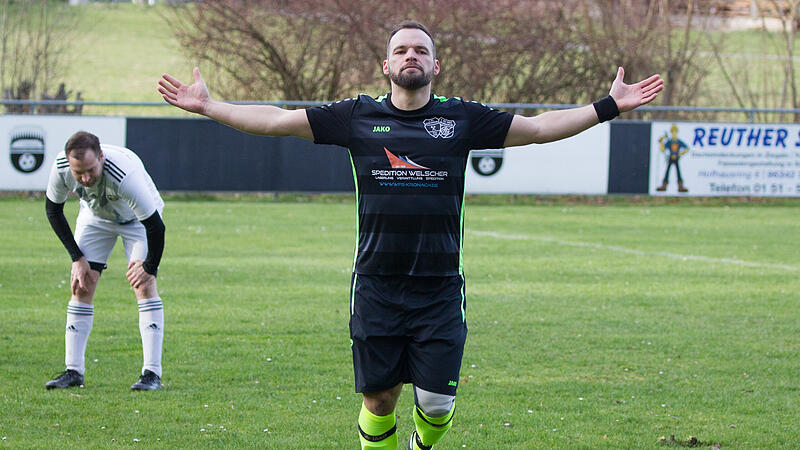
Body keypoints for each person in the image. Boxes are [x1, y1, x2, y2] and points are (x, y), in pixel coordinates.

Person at [158, 20, 662, 449]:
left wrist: (607, 106)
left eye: (421, 49)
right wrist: (210, 106)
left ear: (435, 66)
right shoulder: (357, 116)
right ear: (386, 65)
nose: (410, 56)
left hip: (440, 287)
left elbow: (536, 128)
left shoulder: (462, 117)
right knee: (379, 399)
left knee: (438, 405)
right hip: (376, 284)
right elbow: (275, 120)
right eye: (401, 49)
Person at [44, 131, 166, 391]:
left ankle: (152, 374)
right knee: (81, 284)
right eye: (79, 173)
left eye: (90, 170)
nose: (85, 179)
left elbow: (156, 227)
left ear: (100, 157)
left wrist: (149, 267)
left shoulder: (124, 175)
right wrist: (76, 258)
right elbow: (53, 210)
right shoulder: (61, 167)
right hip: (96, 218)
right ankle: (73, 371)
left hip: (137, 221)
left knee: (143, 285)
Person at [656, 124, 690, 192]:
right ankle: (664, 185)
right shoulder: (669, 142)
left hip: (676, 158)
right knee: (667, 171)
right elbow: (663, 150)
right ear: (671, 133)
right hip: (671, 158)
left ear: (677, 132)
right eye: (673, 132)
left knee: (678, 172)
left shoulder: (679, 141)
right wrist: (661, 143)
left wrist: (680, 153)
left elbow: (687, 148)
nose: (674, 133)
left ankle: (680, 186)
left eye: (675, 132)